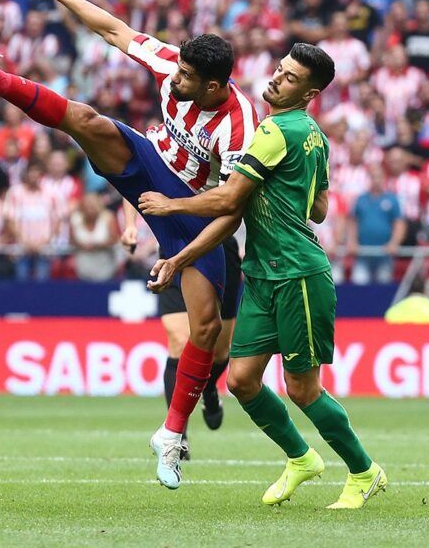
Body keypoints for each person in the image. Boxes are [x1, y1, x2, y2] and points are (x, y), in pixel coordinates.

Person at [0, 0, 257, 489]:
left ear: (214, 86)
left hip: (202, 212)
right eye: (176, 69)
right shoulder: (172, 68)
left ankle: (171, 434)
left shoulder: (241, 126)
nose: (173, 78)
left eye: (185, 76)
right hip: (153, 167)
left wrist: (176, 243)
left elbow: (231, 206)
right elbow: (115, 31)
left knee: (206, 332)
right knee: (87, 121)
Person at [138, 43, 386, 509]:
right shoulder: (314, 135)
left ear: (309, 93)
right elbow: (319, 206)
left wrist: (171, 205)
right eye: (279, 70)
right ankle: (301, 459)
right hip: (263, 273)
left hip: (298, 275)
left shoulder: (272, 131)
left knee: (302, 389)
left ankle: (363, 471)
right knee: (242, 379)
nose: (276, 79)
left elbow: (230, 201)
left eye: (290, 78)